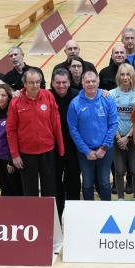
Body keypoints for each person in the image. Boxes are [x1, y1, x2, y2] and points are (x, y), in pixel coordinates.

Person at [7, 68, 63, 197]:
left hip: (48, 152)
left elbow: (56, 123)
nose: (35, 85)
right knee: (30, 191)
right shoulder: (15, 102)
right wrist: (15, 155)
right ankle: (32, 216)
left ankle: (48, 216)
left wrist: (60, 149)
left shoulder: (48, 96)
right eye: (31, 83)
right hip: (26, 154)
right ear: (25, 84)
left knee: (49, 190)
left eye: (38, 82)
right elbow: (11, 130)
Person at [68, 71, 118, 201]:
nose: (91, 84)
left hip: (105, 151)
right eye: (87, 81)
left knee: (105, 183)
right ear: (82, 83)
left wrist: (104, 147)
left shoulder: (108, 99)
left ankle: (107, 211)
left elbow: (113, 124)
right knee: (87, 183)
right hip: (85, 153)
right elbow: (73, 130)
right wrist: (86, 151)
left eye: (93, 81)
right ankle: (89, 212)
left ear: (98, 82)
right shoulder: (75, 103)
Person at [109, 64, 135, 200]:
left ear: (132, 76)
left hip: (133, 138)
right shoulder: (112, 94)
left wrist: (128, 136)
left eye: (128, 74)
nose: (125, 77)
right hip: (117, 138)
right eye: (122, 74)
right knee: (119, 170)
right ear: (118, 76)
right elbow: (111, 118)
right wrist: (119, 137)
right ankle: (120, 198)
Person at [50, 69, 79, 212]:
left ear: (69, 82)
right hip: (52, 148)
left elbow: (95, 94)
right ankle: (57, 211)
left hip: (73, 146)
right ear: (52, 83)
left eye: (64, 82)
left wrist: (104, 92)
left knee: (73, 179)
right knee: (55, 181)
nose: (61, 85)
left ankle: (73, 211)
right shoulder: (46, 95)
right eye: (58, 82)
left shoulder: (78, 95)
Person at [0, 83, 23, 196]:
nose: (0, 98)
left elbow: (15, 139)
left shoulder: (12, 114)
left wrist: (11, 161)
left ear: (9, 97)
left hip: (9, 160)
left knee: (14, 189)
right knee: (3, 188)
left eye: (3, 95)